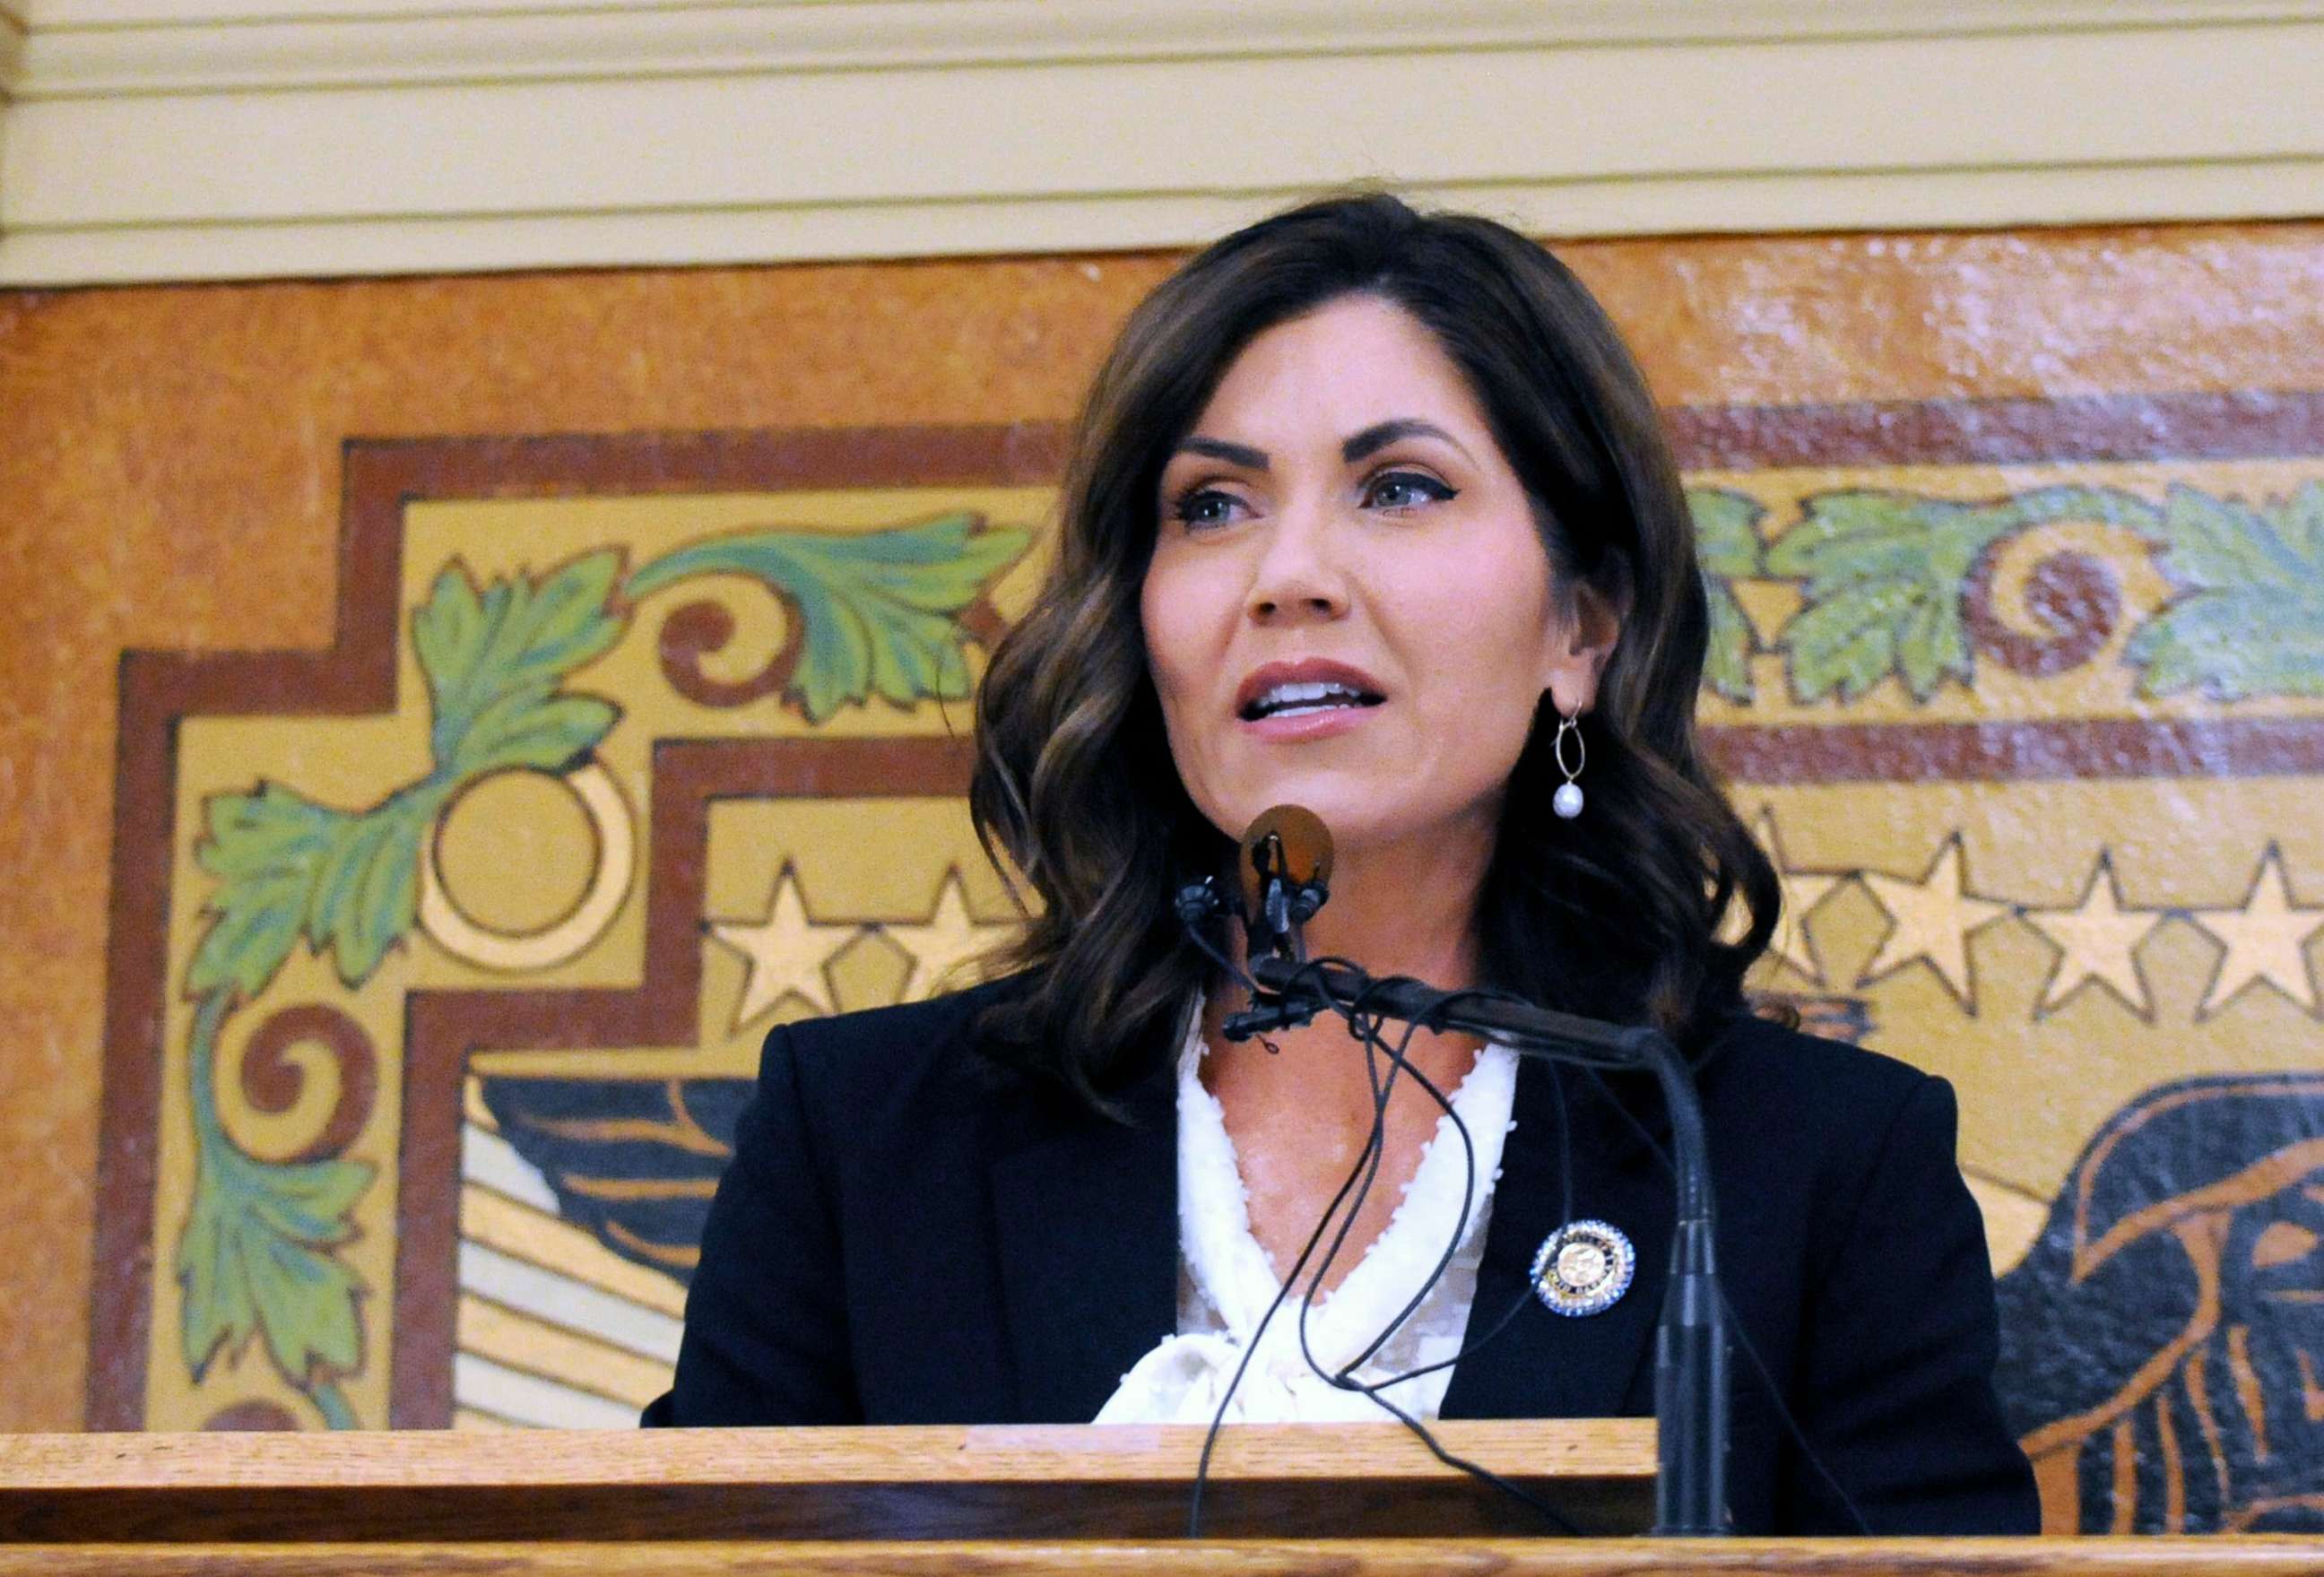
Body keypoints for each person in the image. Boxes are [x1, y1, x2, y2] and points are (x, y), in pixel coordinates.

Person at [643, 193, 2040, 1537]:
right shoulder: (865, 1142)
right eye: (1210, 507)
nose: (1287, 574)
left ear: (1584, 627)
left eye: (1400, 488)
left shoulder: (1814, 1167)